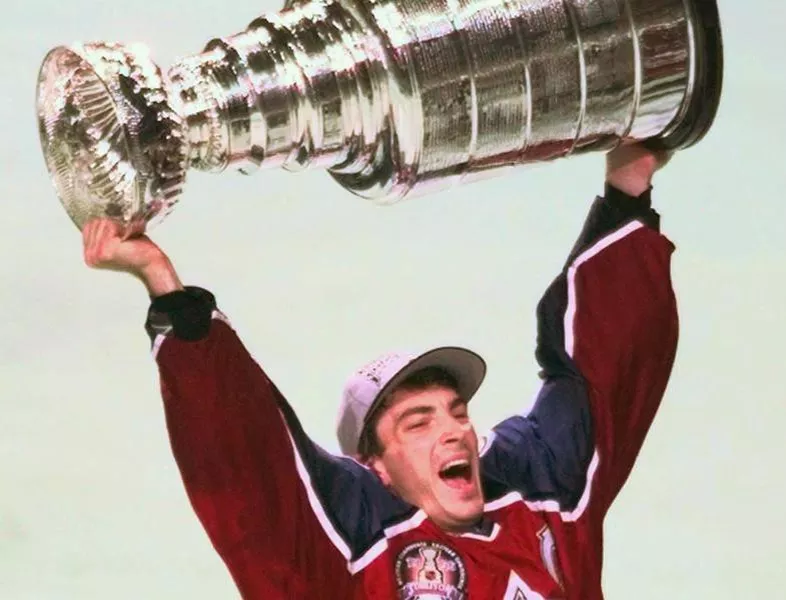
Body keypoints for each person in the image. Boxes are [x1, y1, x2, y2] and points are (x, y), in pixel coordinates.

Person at [81, 142, 678, 599]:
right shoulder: (353, 557)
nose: (453, 431)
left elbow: (605, 369)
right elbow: (252, 463)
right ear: (378, 469)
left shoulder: (543, 504)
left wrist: (628, 183)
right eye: (416, 423)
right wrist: (162, 281)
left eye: (457, 411)